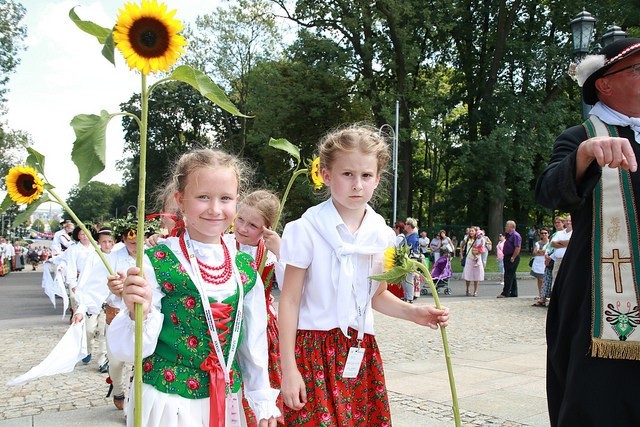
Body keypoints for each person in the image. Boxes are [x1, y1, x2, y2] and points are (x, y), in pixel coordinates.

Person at [278, 125, 449, 425]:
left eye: (366, 176)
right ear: (327, 175)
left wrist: (414, 313)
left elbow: (376, 296)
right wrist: (288, 367)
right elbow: (289, 301)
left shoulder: (382, 235)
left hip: (360, 350)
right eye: (347, 174)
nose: (357, 184)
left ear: (377, 179)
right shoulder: (305, 229)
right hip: (312, 351)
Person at [106, 149, 280, 426]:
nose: (215, 209)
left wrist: (262, 400)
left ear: (236, 200)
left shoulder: (244, 267)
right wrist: (141, 309)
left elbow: (253, 343)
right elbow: (130, 351)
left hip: (227, 400)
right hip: (169, 402)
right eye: (203, 197)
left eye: (225, 198)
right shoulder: (157, 262)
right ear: (181, 201)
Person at [536, 38, 640, 426]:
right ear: (605, 84)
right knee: (598, 397)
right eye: (638, 69)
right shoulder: (580, 135)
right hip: (601, 293)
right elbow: (548, 193)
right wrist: (584, 155)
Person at [232, 190, 285, 426]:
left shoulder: (270, 254)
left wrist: (280, 251)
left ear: (267, 228)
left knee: (262, 372)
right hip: (228, 321)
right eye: (240, 219)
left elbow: (290, 286)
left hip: (260, 325)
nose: (242, 228)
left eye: (252, 225)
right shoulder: (223, 244)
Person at [497, 220, 521, 298]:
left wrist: (513, 257)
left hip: (512, 256)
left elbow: (517, 247)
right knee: (512, 275)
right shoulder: (509, 235)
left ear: (511, 227)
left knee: (508, 275)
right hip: (507, 256)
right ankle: (514, 292)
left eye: (507, 226)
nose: (505, 227)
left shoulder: (516, 235)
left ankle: (505, 293)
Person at [530, 227, 550, 306]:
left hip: (545, 262)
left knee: (544, 279)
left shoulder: (550, 243)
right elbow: (534, 252)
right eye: (542, 233)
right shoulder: (537, 243)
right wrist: (540, 252)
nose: (544, 235)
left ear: (548, 234)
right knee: (539, 279)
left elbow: (547, 252)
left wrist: (540, 252)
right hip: (538, 262)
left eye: (545, 233)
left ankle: (544, 295)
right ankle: (540, 294)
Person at [462, 226, 484, 296]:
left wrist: (479, 253)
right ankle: (467, 289)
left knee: (476, 275)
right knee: (468, 275)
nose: (471, 232)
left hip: (477, 258)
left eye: (473, 231)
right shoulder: (467, 239)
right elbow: (462, 247)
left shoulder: (479, 239)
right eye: (470, 231)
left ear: (475, 232)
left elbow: (483, 247)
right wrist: (461, 255)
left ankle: (475, 291)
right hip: (469, 258)